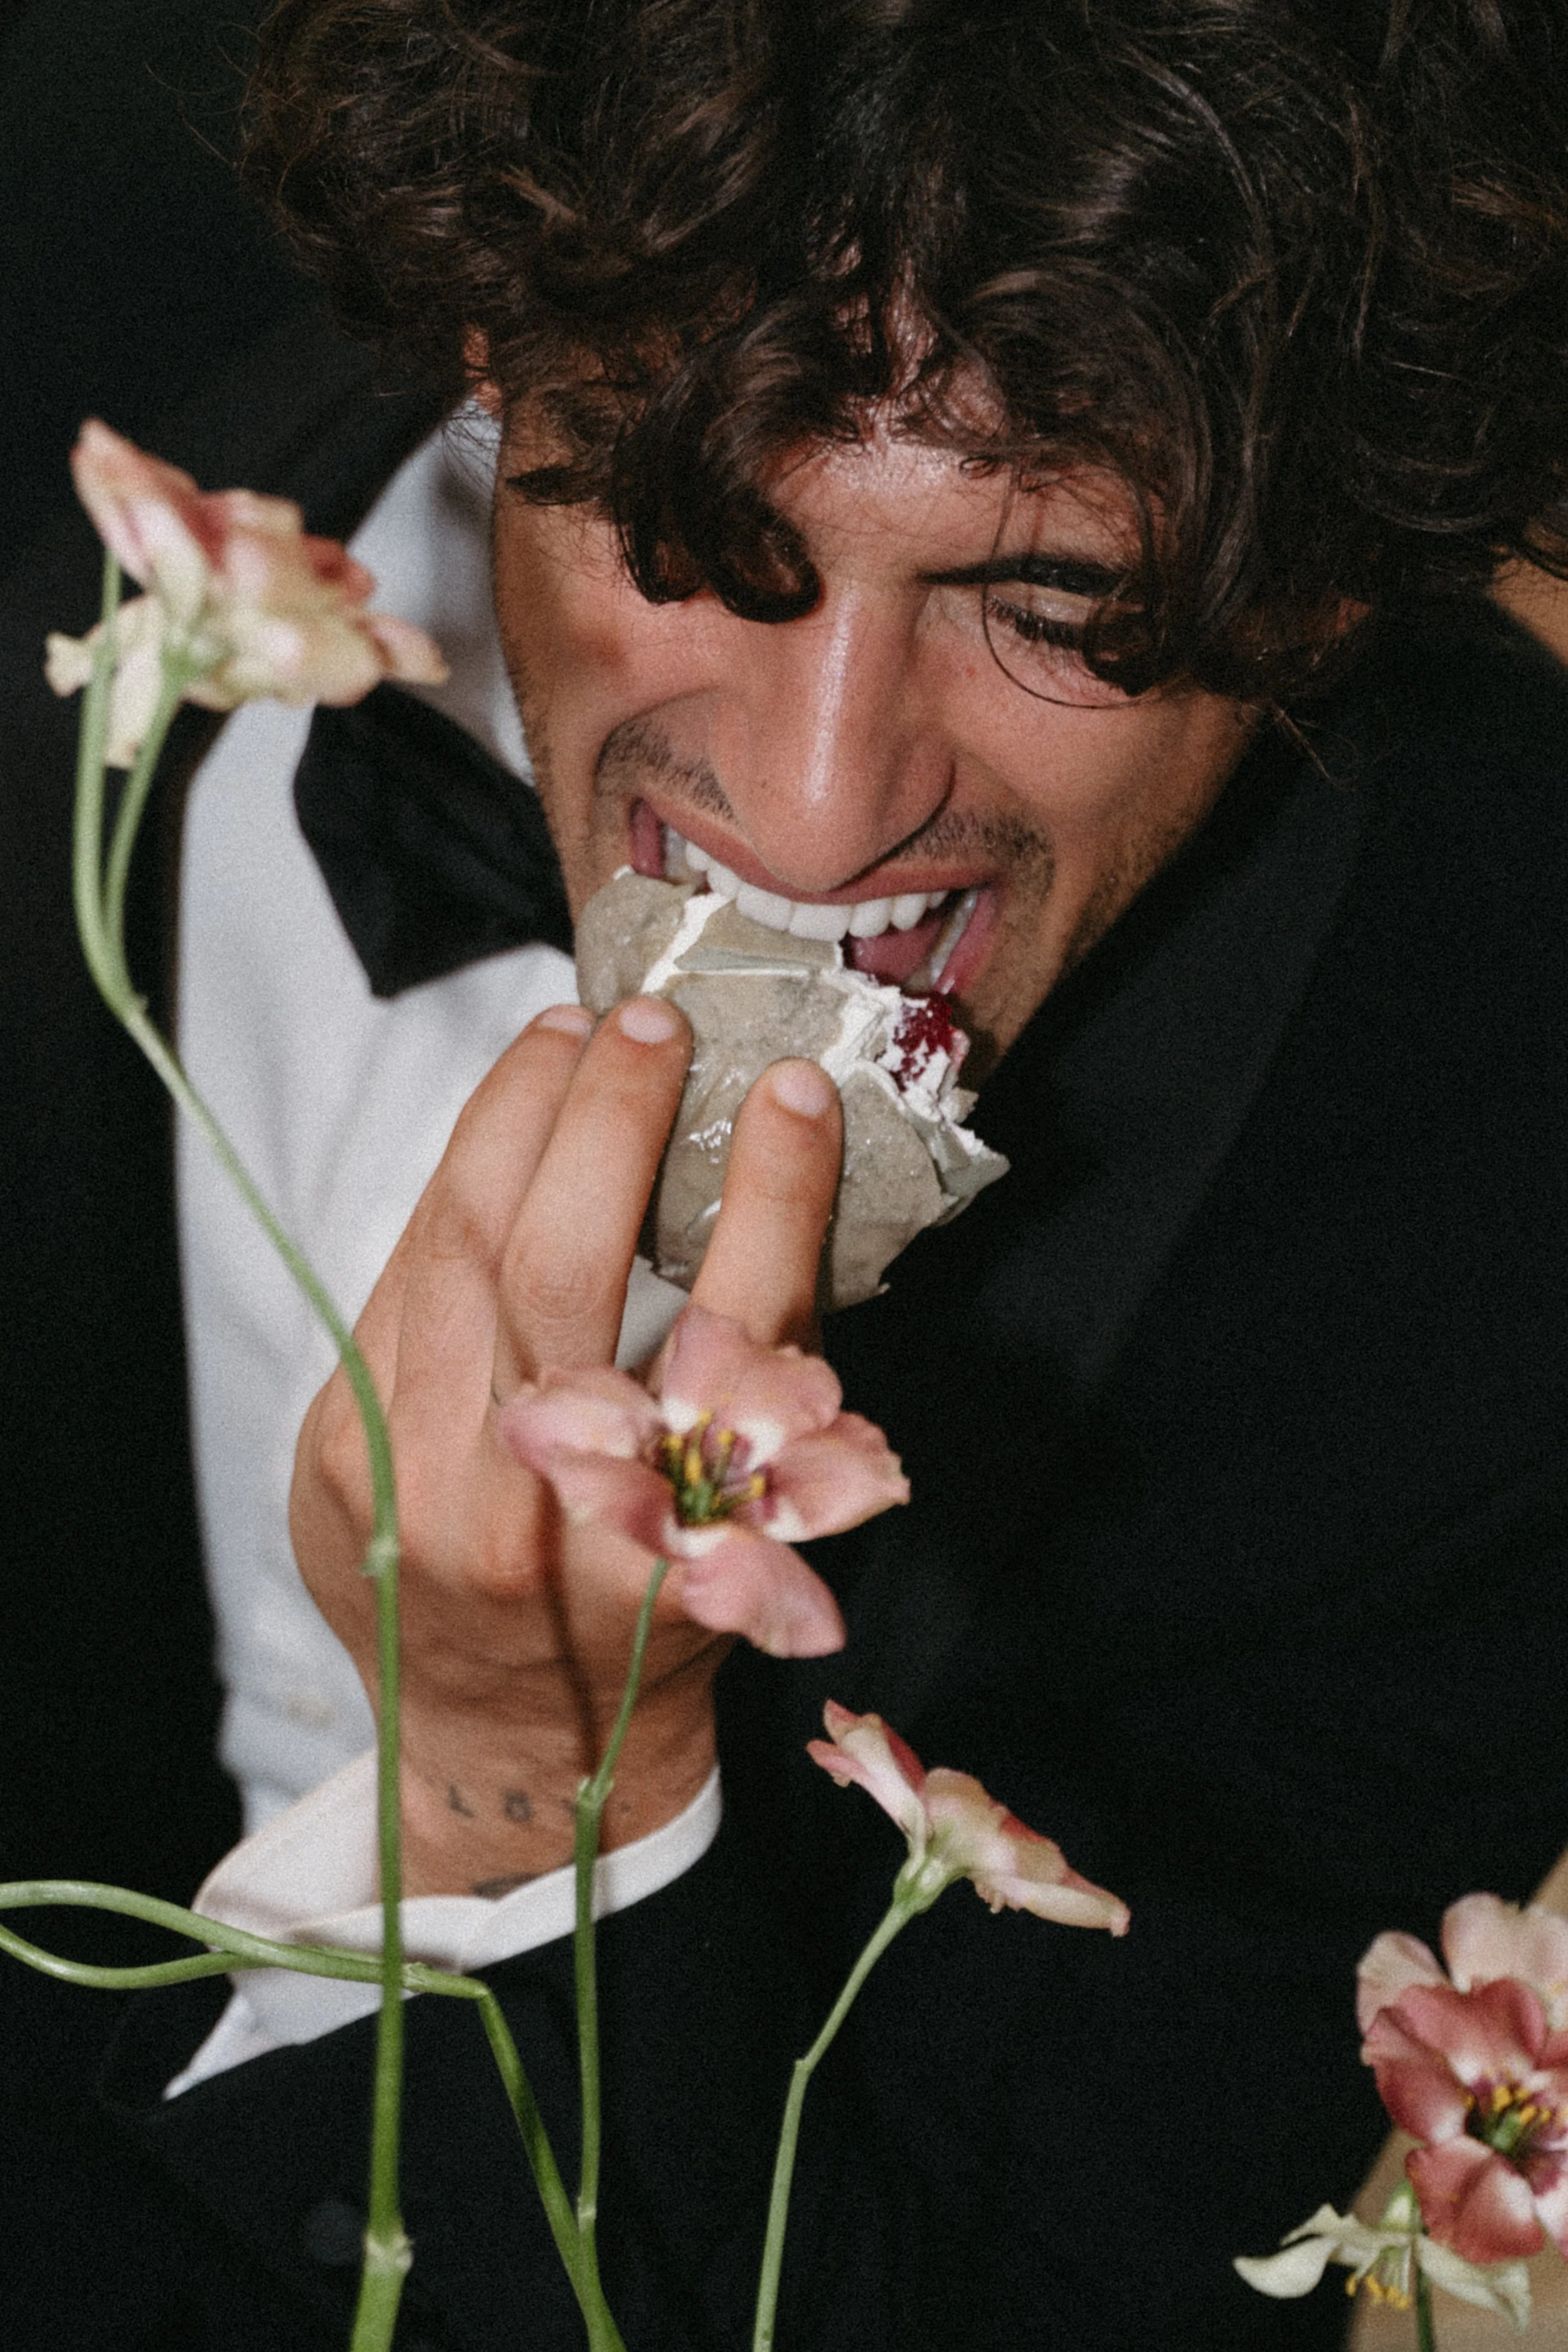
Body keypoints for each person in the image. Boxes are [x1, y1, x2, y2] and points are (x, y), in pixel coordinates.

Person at [6, 1, 1568, 2346]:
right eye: (691, 525)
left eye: (1051, 604)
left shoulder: (1481, 1159)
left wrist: (539, 1805)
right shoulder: (101, 398)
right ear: (484, 341)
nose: (822, 808)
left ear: (1321, 575)